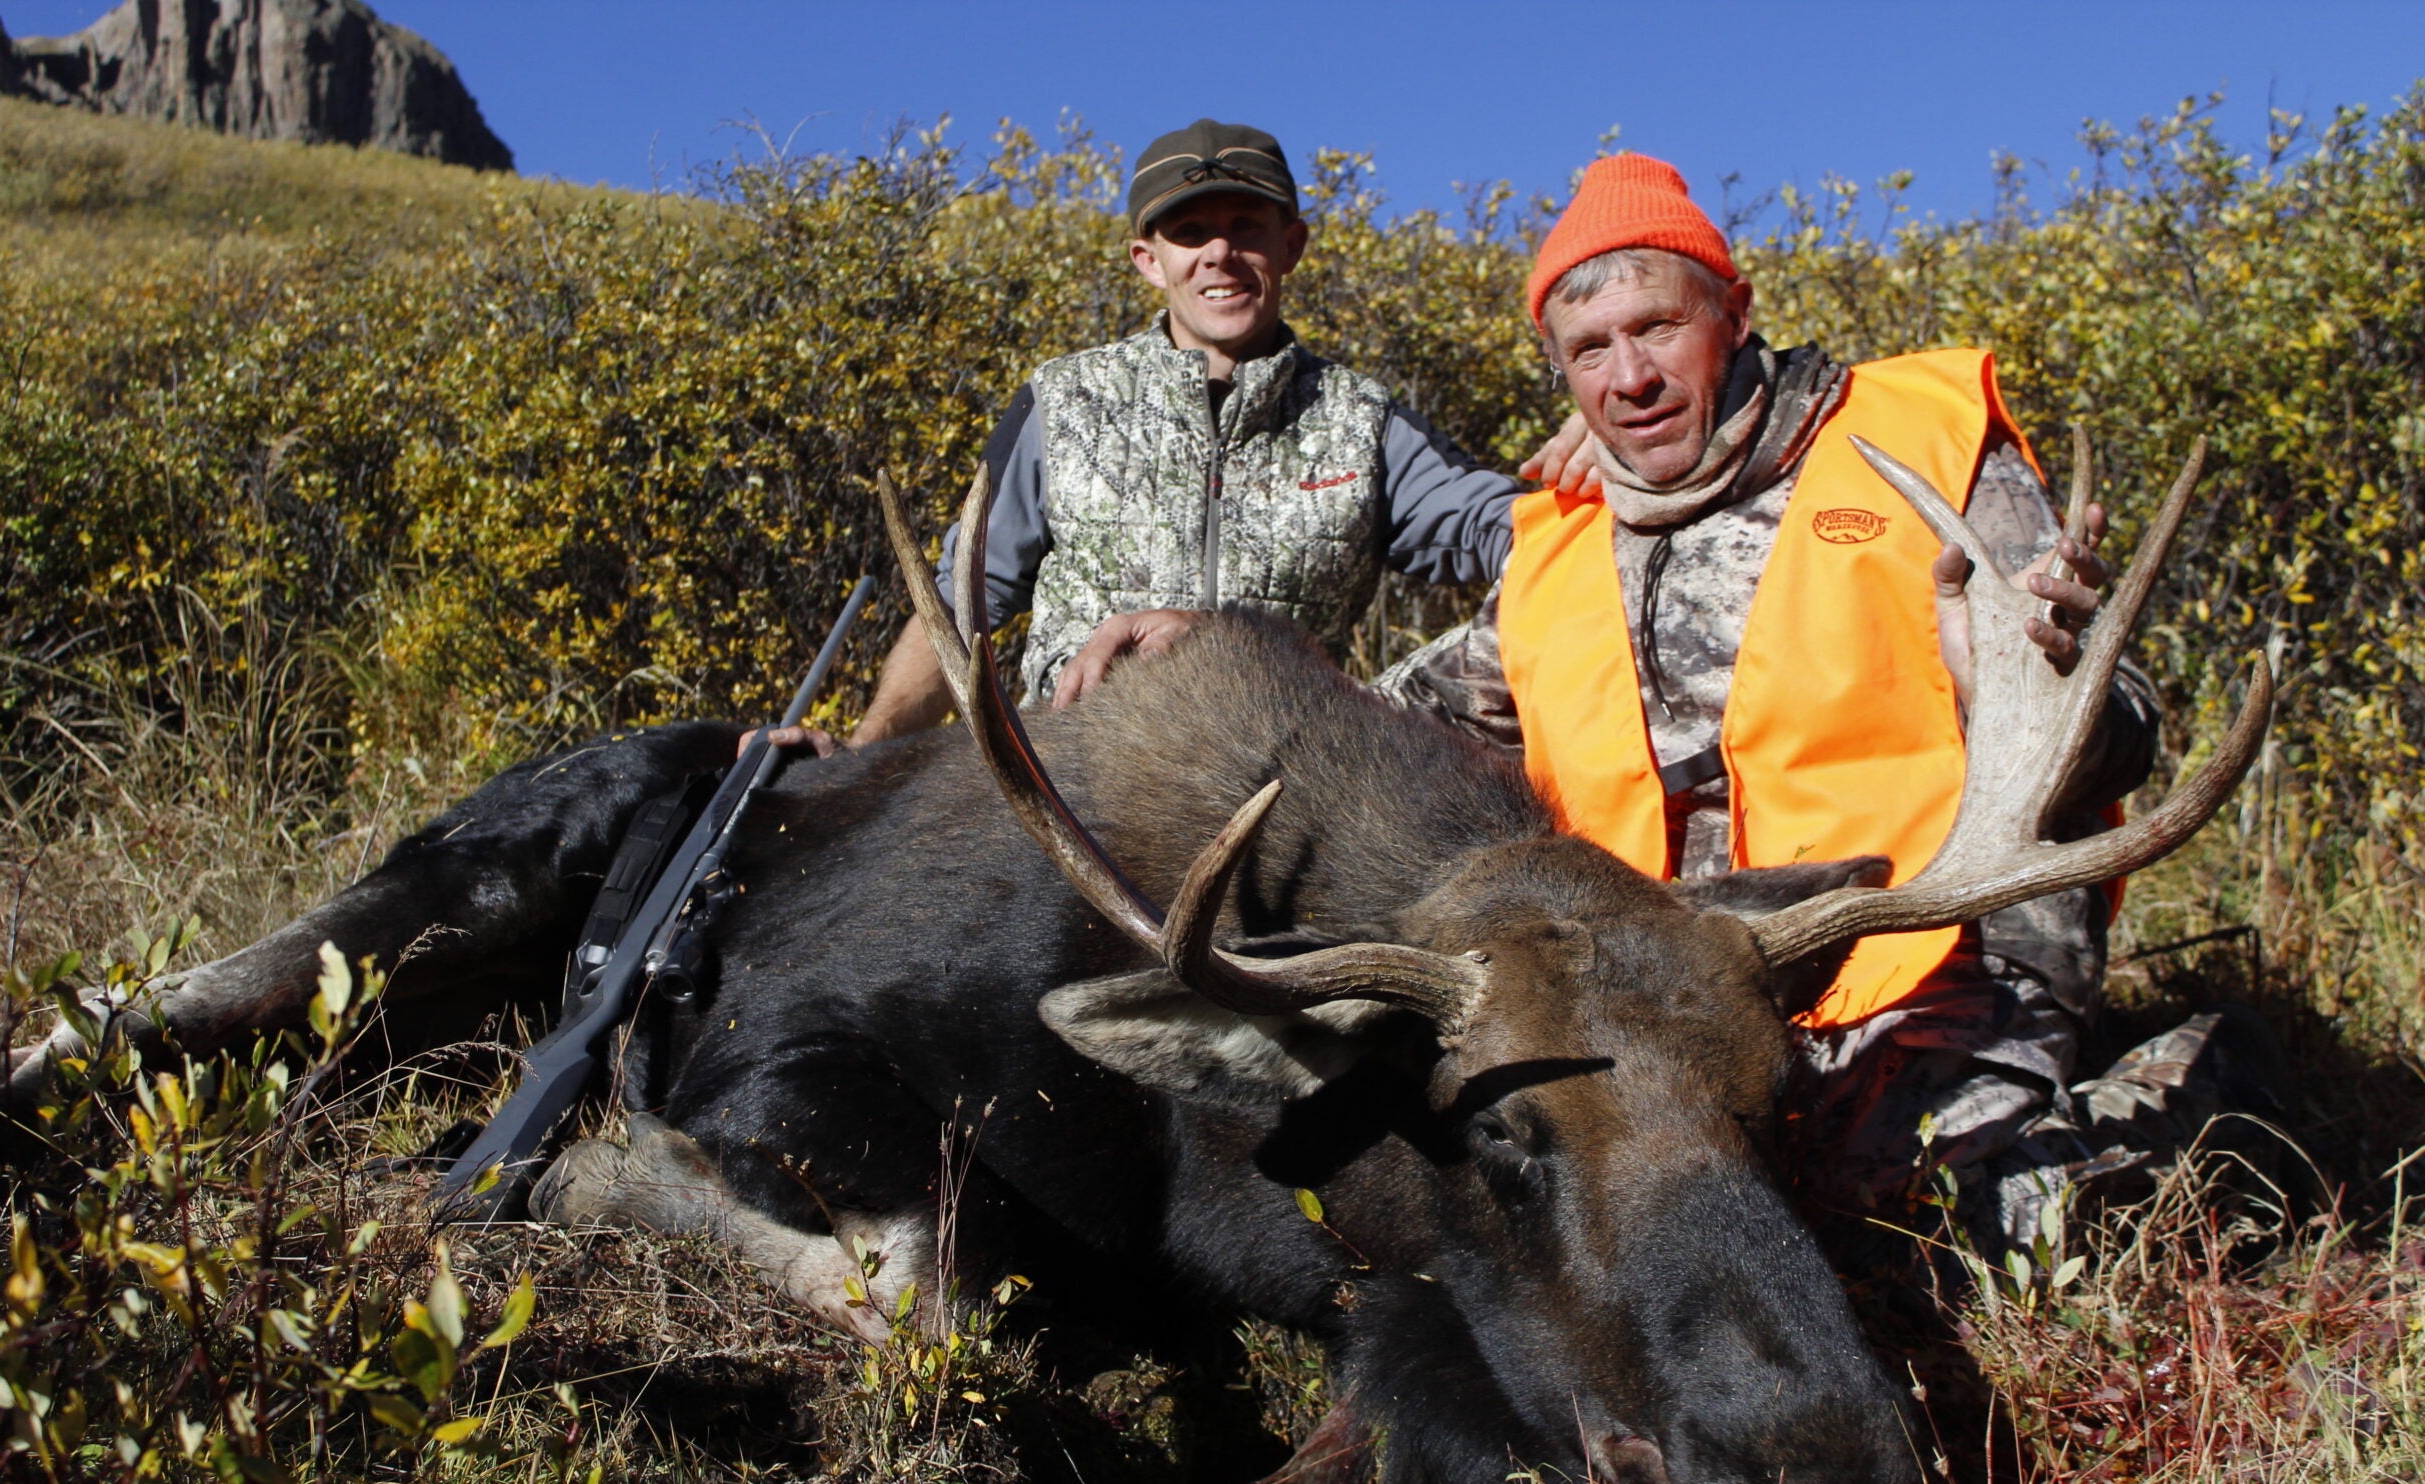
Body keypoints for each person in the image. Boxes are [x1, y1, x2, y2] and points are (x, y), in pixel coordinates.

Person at [1376, 153, 2282, 1255]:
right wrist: (1201, 667)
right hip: (1684, 995)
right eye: (1589, 350)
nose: (1630, 377)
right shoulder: (1555, 542)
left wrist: (2004, 678)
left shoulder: (1915, 452)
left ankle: (2200, 1089)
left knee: (1899, 1236)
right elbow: (1381, 728)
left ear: (1734, 311)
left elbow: (2122, 732)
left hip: (1935, 942)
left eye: (1657, 328)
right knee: (1617, 1235)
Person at [763, 118, 1552, 755]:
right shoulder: (1064, 400)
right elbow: (961, 602)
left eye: (1247, 226)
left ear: (1291, 246)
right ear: (1150, 259)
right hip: (1071, 788)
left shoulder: (1362, 420)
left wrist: (1598, 445)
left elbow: (1524, 538)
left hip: (1289, 790)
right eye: (1190, 231)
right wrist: (862, 751)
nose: (1220, 252)